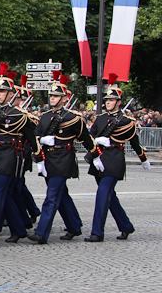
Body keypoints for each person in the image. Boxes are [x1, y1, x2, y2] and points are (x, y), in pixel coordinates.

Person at [28, 72, 96, 244]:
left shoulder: (73, 118)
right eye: (51, 95)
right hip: (48, 158)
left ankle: (41, 233)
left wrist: (95, 156)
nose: (52, 98)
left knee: (51, 196)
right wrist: (39, 154)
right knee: (61, 195)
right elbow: (36, 137)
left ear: (65, 98)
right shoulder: (45, 116)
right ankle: (74, 226)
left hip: (63, 158)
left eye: (56, 95)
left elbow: (86, 139)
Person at [84, 74, 151, 242]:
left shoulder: (126, 121)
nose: (107, 102)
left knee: (102, 194)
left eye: (111, 100)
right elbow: (89, 138)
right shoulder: (100, 118)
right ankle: (126, 226)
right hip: (98, 159)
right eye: (106, 100)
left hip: (114, 158)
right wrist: (93, 149)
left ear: (119, 102)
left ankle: (97, 232)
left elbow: (135, 142)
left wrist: (143, 159)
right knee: (109, 196)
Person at [0, 63, 37, 248]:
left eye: (3, 91)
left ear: (12, 94)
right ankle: (18, 228)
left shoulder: (20, 115)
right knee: (7, 195)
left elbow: (32, 138)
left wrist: (40, 159)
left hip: (9, 156)